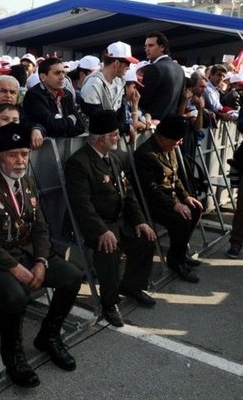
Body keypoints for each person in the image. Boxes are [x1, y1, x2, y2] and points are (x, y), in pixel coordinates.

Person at [0, 122, 83, 388]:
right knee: (16, 296)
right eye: (12, 154)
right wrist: (15, 268)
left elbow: (41, 227)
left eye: (24, 154)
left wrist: (41, 261)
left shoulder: (27, 181)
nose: (20, 161)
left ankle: (49, 336)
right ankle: (13, 356)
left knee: (73, 276)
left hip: (28, 254)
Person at [64, 111, 156, 327]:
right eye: (114, 134)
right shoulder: (79, 163)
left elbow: (128, 193)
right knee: (109, 249)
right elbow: (81, 205)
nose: (118, 137)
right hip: (96, 223)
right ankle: (109, 302)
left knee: (146, 238)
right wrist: (101, 230)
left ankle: (131, 286)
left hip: (119, 219)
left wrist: (140, 220)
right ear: (100, 138)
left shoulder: (113, 159)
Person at [134, 116, 204, 282]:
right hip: (151, 202)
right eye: (176, 140)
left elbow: (175, 177)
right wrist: (175, 205)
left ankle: (180, 253)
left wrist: (185, 197)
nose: (179, 144)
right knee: (181, 219)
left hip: (168, 199)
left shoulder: (169, 148)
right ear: (163, 138)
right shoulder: (146, 154)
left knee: (196, 208)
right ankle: (176, 261)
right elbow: (150, 190)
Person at [22, 57, 85, 138]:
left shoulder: (67, 94)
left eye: (63, 73)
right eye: (57, 73)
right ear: (43, 77)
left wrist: (61, 130)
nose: (62, 77)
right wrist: (71, 120)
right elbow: (51, 126)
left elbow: (80, 126)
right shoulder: (33, 95)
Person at [80, 42, 137, 130]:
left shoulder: (119, 82)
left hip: (112, 138)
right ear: (117, 63)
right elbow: (98, 121)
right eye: (127, 63)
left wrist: (124, 127)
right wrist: (126, 128)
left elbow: (120, 116)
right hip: (97, 140)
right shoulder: (93, 84)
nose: (129, 67)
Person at [139, 32, 185, 121]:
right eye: (145, 46)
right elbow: (181, 99)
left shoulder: (154, 68)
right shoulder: (179, 68)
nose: (146, 49)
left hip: (153, 125)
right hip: (170, 124)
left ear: (162, 47)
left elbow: (143, 100)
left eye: (151, 45)